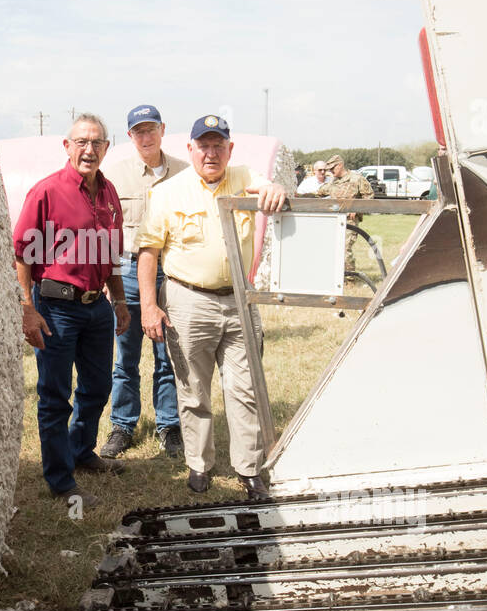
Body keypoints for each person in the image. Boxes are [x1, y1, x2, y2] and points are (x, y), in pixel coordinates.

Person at [136, 115, 287, 500]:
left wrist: (274, 187)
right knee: (193, 388)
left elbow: (268, 187)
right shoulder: (168, 192)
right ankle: (199, 465)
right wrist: (149, 307)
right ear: (190, 149)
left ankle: (249, 469)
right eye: (203, 145)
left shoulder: (242, 177)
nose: (211, 153)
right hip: (189, 301)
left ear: (230, 150)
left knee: (245, 388)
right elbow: (149, 252)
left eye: (219, 145)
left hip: (239, 300)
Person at [14, 115, 131, 508]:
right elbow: (21, 256)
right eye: (81, 142)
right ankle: (62, 482)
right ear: (67, 146)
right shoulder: (46, 192)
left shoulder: (109, 193)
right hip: (56, 307)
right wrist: (28, 310)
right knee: (55, 395)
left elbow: (113, 255)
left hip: (96, 307)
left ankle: (81, 451)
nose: (89, 149)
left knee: (98, 387)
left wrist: (119, 300)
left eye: (97, 142)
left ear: (106, 148)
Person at [98, 105, 188, 460]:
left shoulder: (185, 172)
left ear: (163, 130)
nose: (146, 137)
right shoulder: (114, 176)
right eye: (138, 132)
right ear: (130, 136)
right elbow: (104, 230)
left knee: (169, 357)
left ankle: (169, 425)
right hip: (130, 273)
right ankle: (122, 424)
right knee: (126, 357)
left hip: (174, 273)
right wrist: (110, 277)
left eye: (151, 129)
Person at [317, 154, 374, 274]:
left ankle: (349, 277)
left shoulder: (356, 179)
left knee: (345, 249)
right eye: (329, 170)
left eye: (333, 168)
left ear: (340, 165)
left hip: (350, 221)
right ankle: (335, 275)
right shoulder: (333, 181)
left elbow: (369, 196)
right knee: (333, 248)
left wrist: (356, 208)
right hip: (334, 220)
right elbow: (319, 192)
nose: (331, 172)